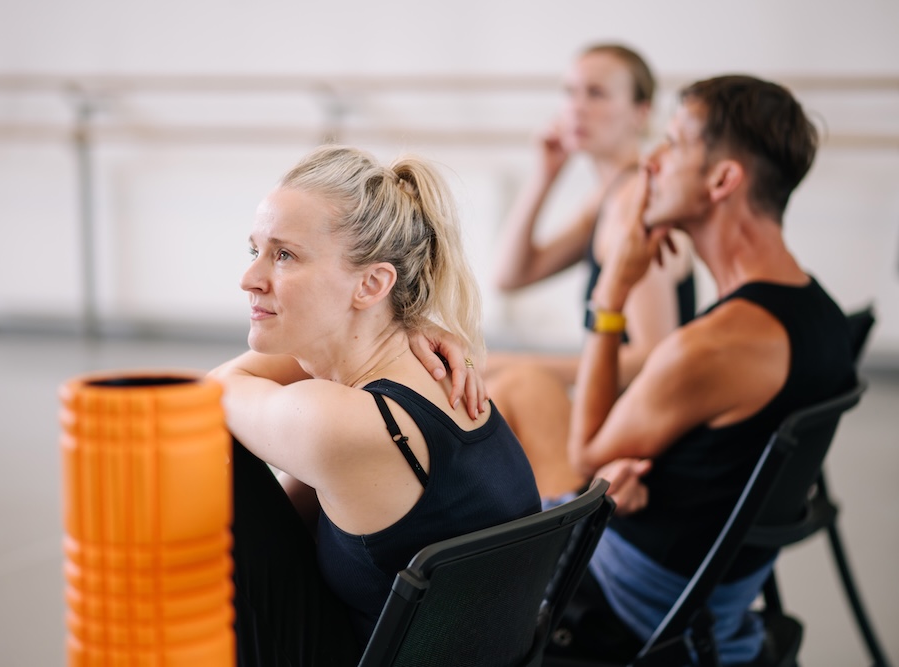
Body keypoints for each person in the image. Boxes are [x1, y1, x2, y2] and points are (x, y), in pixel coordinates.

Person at [548, 75, 857, 664]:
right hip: (707, 592)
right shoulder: (824, 315)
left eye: (673, 143)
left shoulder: (711, 349)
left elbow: (587, 455)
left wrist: (610, 295)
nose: (651, 163)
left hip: (624, 599)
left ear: (722, 180)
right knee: (524, 396)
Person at [208, 145, 542, 666]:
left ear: (372, 283)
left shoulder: (342, 424)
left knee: (214, 452)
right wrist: (404, 321)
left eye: (284, 255)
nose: (249, 278)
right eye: (255, 250)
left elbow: (211, 393)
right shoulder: (431, 378)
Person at [486, 44, 696, 502]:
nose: (576, 108)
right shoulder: (612, 195)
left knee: (511, 384)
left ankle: (553, 534)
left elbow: (655, 357)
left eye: (596, 94)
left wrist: (517, 363)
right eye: (570, 92)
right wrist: (545, 174)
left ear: (640, 112)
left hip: (639, 452)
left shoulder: (632, 205)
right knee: (500, 386)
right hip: (620, 425)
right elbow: (510, 275)